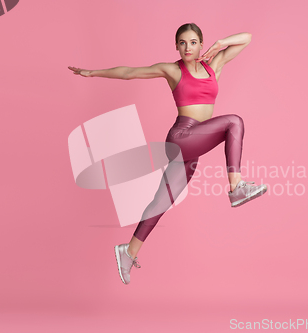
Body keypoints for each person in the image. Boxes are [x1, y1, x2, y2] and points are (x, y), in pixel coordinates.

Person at [68, 23, 268, 285]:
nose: (188, 47)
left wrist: (219, 43)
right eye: (182, 43)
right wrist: (92, 73)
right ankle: (236, 187)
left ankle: (128, 252)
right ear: (176, 46)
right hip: (183, 137)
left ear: (200, 44)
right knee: (234, 122)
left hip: (195, 142)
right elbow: (130, 73)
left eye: (193, 42)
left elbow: (247, 38)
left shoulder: (213, 67)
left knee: (161, 202)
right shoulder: (173, 70)